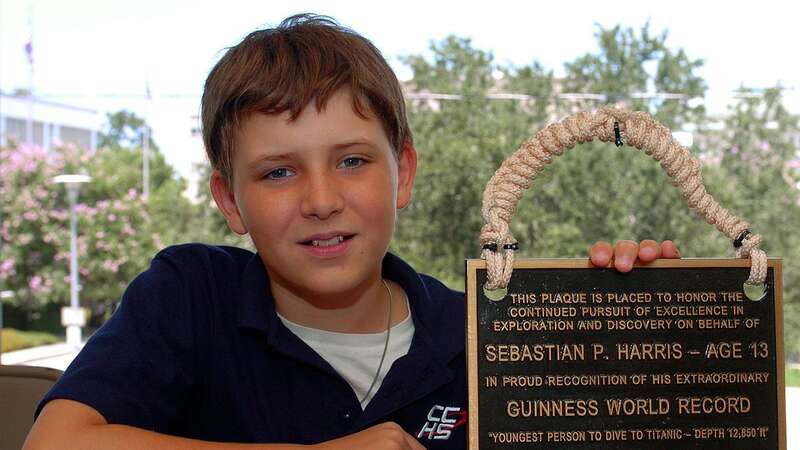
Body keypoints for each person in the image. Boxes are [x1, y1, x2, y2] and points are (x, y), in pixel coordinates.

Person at [23, 14, 679, 450]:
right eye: (278, 172)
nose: (320, 200)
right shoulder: (191, 295)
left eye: (352, 161)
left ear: (403, 175)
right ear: (229, 199)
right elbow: (56, 440)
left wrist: (632, 337)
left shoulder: (480, 340)